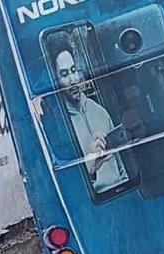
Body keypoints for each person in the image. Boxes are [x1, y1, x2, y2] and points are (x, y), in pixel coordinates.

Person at [48, 33, 128, 194]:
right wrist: (89, 170)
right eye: (64, 75)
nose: (73, 80)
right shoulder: (57, 128)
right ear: (54, 80)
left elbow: (121, 168)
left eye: (73, 70)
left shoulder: (99, 111)